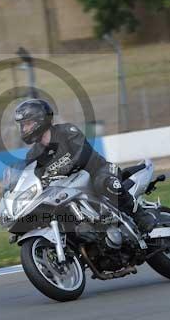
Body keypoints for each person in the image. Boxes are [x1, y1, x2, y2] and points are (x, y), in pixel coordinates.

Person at [14, 99, 157, 233]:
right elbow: (33, 179)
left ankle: (140, 216)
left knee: (105, 183)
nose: (24, 129)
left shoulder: (67, 131)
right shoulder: (32, 155)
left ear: (40, 120)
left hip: (97, 170)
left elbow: (84, 154)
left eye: (27, 124)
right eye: (22, 125)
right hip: (68, 188)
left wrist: (62, 170)